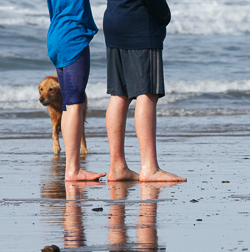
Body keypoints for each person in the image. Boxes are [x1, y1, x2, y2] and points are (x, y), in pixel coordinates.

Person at [103, 0, 186, 182]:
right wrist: (165, 15)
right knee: (146, 92)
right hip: (140, 26)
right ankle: (149, 167)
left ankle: (117, 166)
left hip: (114, 21)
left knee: (119, 94)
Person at [47, 0, 104, 181]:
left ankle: (72, 168)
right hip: (72, 37)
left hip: (56, 34)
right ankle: (73, 169)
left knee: (68, 104)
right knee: (74, 104)